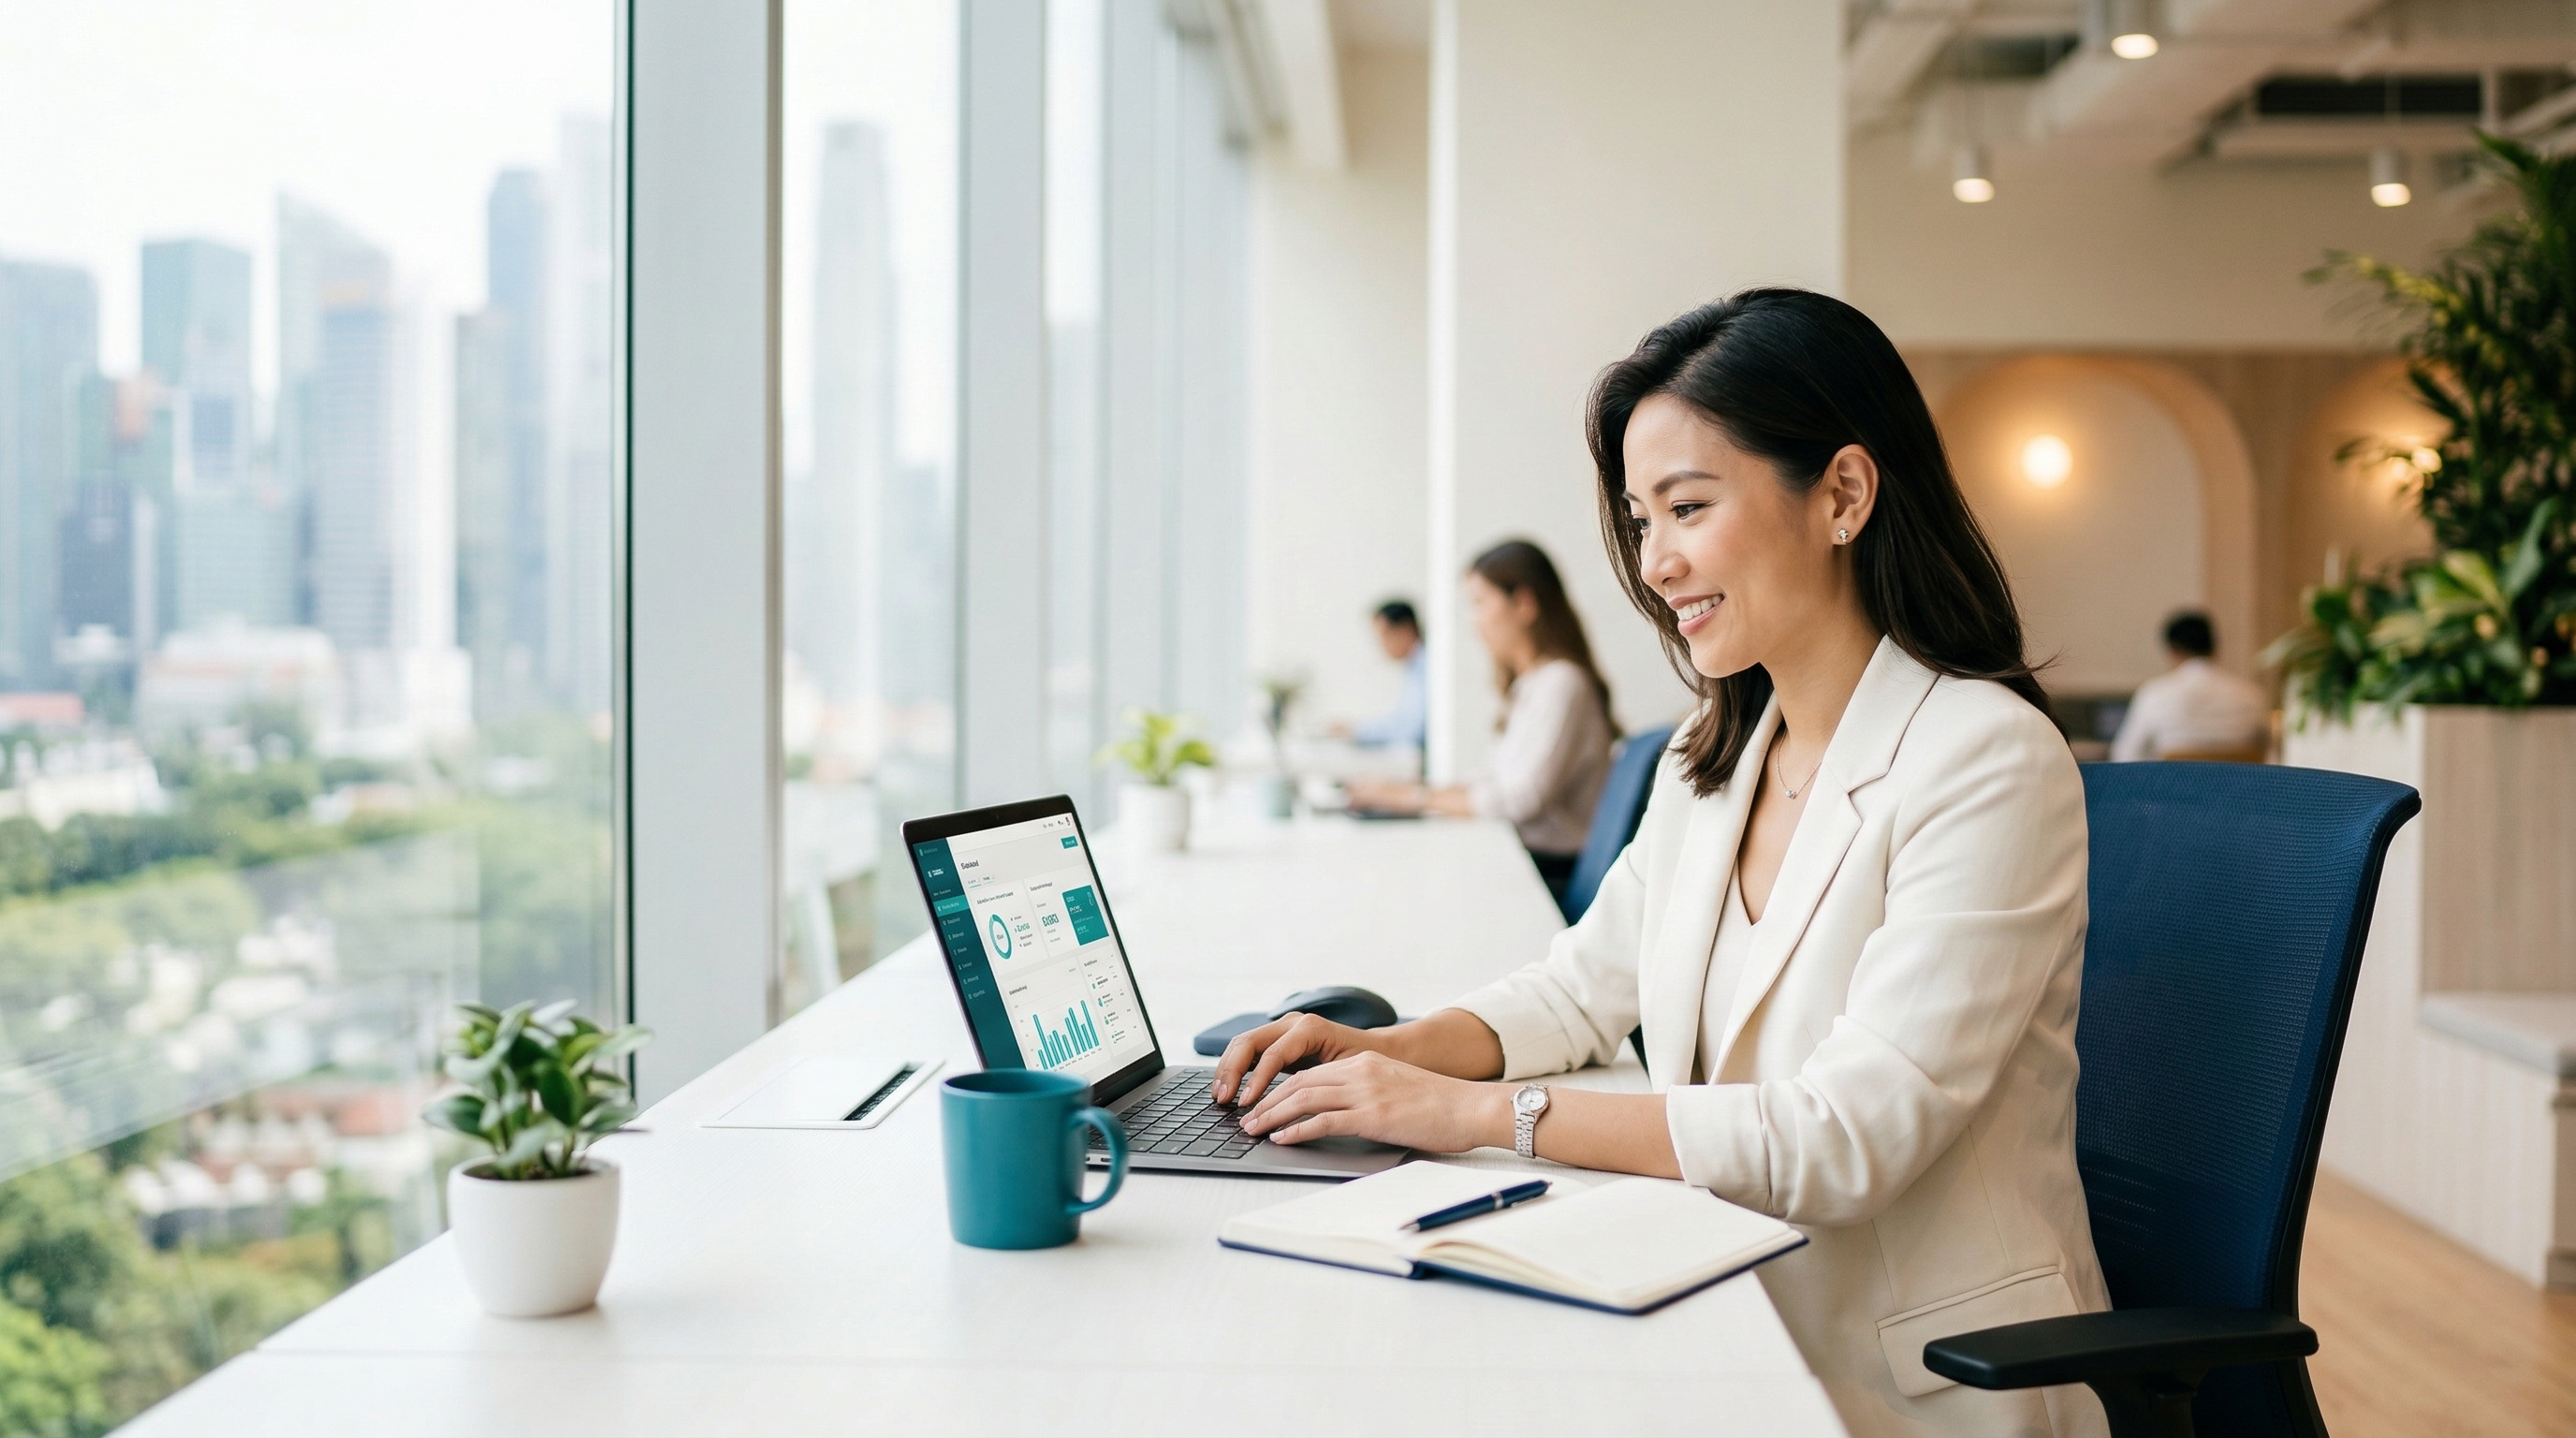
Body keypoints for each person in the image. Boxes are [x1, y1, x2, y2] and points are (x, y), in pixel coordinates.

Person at [1217, 290, 2110, 1438]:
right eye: (1641, 521)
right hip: (1727, 1304)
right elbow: (1580, 990)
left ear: (1842, 494)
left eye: (1686, 508)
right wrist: (1381, 1056)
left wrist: (1473, 1114)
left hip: (1925, 1384)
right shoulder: (1717, 752)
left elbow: (1844, 1139)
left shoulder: (1985, 760)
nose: (1656, 563)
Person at [1345, 541, 1616, 903]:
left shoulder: (1563, 683)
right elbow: (1495, 780)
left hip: (1548, 873)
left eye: (1479, 603)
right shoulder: (1533, 684)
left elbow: (1518, 801)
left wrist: (1413, 798)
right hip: (1533, 863)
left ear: (1523, 604)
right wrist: (1409, 792)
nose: (1474, 621)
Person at [2110, 610, 2269, 761]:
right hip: (2236, 788)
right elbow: (2268, 750)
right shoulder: (2252, 694)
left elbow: (2124, 755)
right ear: (2214, 648)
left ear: (2172, 650)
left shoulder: (2156, 693)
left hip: (2171, 789)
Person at [1349, 599, 1427, 752]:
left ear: (1406, 630)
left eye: (1384, 636)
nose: (1381, 645)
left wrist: (1358, 731)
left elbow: (1412, 728)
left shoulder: (1426, 665)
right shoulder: (1414, 666)